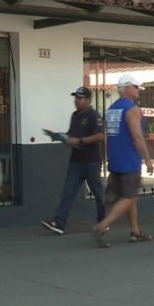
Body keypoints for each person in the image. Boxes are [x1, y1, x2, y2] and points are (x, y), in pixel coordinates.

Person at [92, 75, 153, 248]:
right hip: (129, 159)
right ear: (127, 88)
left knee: (130, 196)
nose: (138, 90)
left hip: (115, 158)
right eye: (136, 87)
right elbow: (137, 136)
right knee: (129, 196)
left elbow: (108, 136)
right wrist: (147, 159)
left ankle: (135, 231)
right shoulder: (132, 109)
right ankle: (102, 226)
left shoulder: (111, 109)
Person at [41, 87, 106, 235]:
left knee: (98, 193)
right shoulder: (75, 115)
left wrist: (80, 140)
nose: (76, 100)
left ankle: (103, 221)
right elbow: (72, 134)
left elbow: (100, 136)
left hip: (91, 161)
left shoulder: (93, 115)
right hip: (76, 161)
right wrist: (61, 137)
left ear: (88, 100)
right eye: (75, 97)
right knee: (68, 192)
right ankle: (58, 222)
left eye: (80, 98)